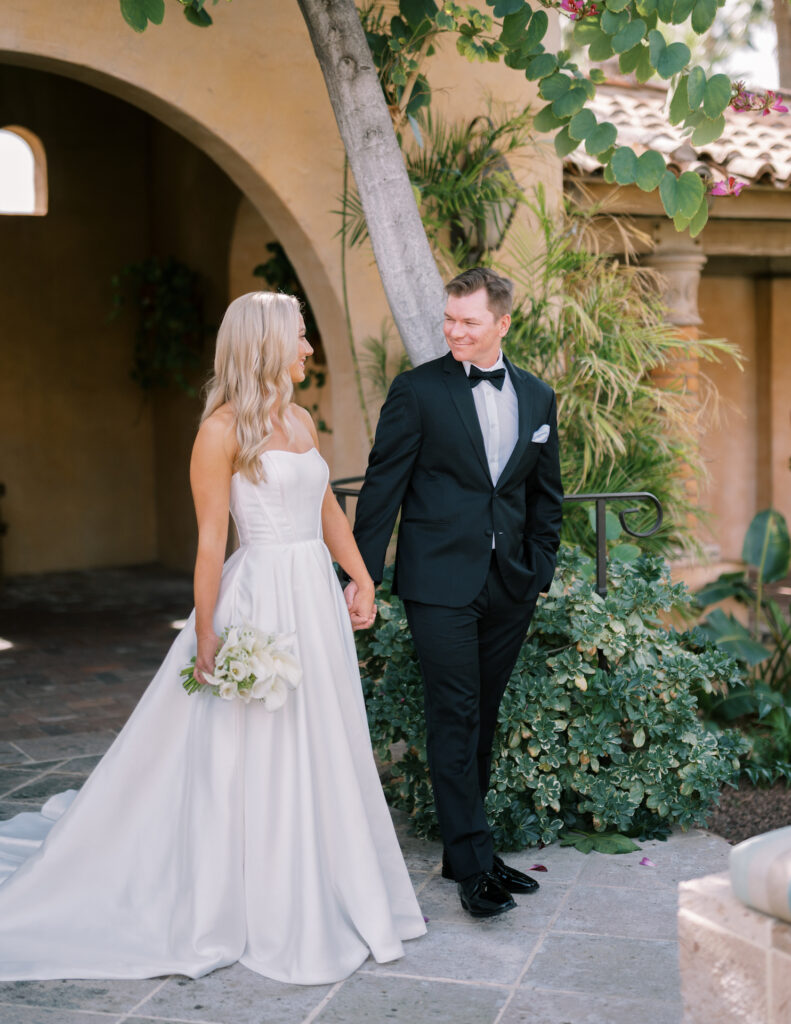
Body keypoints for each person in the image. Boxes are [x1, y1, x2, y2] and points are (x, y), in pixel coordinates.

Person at [0, 290, 426, 983]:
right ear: (264, 343)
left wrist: (361, 577)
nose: (308, 348)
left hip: (312, 598)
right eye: (298, 335)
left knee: (320, 733)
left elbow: (325, 511)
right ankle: (256, 896)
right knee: (250, 745)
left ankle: (327, 875)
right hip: (258, 598)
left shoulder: (300, 418)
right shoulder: (220, 431)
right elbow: (208, 542)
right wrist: (205, 635)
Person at [346, 267, 563, 919]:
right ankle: (471, 863)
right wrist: (360, 577)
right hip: (438, 582)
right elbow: (382, 489)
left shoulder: (536, 395)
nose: (453, 331)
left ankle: (470, 851)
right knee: (454, 712)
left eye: (468, 321)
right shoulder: (417, 391)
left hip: (510, 584)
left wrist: (539, 566)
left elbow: (543, 494)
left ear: (501, 323)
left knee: (483, 714)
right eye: (449, 319)